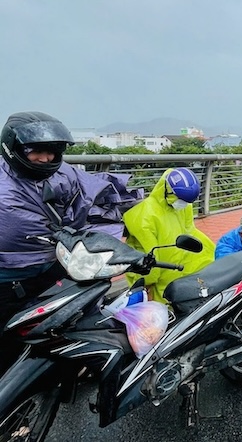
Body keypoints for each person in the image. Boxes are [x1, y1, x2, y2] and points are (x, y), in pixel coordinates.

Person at [0, 111, 142, 372]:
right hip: (8, 278)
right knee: (8, 338)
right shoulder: (5, 187)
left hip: (54, 265)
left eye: (52, 151)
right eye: (36, 151)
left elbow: (90, 195)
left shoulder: (62, 174)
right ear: (13, 148)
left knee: (55, 324)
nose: (45, 159)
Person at [123, 167, 216, 303]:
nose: (183, 204)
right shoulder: (144, 216)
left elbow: (189, 231)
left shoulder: (183, 206)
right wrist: (146, 283)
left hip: (181, 270)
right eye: (181, 199)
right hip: (162, 276)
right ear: (167, 190)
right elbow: (148, 256)